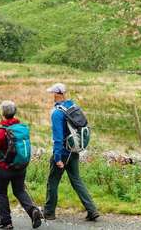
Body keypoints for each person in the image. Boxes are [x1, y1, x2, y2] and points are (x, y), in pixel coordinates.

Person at [0, 101, 43, 229]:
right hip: (20, 166)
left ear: (2, 113)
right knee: (20, 191)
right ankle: (33, 211)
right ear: (14, 112)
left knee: (1, 193)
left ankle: (6, 222)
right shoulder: (21, 128)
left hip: (4, 169)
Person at [43, 83, 99, 222]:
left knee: (52, 181)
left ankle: (49, 213)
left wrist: (57, 158)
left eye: (52, 93)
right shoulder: (72, 106)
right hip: (74, 150)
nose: (52, 96)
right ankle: (92, 210)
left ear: (57, 94)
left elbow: (58, 137)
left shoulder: (57, 113)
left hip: (62, 152)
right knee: (76, 180)